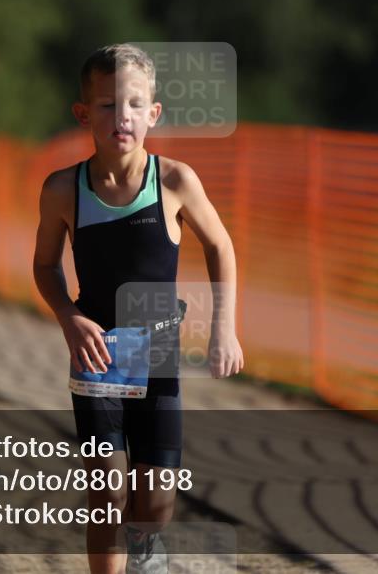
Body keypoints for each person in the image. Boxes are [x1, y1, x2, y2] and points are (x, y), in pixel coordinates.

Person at [33, 44, 244, 574]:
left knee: (154, 504)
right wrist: (68, 316)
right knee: (106, 496)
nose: (120, 117)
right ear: (84, 114)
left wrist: (225, 331)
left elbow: (221, 247)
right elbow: (45, 267)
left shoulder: (174, 181)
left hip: (159, 357)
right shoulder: (63, 189)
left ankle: (148, 552)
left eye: (132, 105)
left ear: (153, 114)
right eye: (106, 105)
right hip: (97, 358)